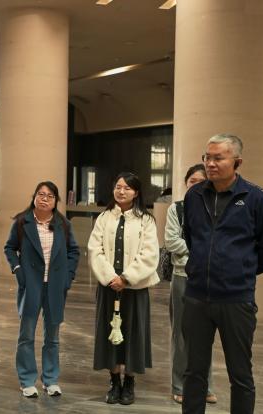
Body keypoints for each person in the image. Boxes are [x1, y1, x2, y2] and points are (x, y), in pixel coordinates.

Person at [182, 134, 263, 414]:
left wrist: (240, 270)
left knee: (240, 374)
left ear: (237, 162)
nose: (210, 164)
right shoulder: (194, 196)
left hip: (236, 300)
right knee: (194, 372)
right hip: (197, 298)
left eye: (218, 158)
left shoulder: (256, 198)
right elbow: (191, 237)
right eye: (207, 157)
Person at [88, 172, 160, 405]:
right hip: (108, 286)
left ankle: (129, 381)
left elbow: (150, 254)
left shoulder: (146, 220)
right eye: (118, 187)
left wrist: (127, 278)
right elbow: (94, 250)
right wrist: (111, 277)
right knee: (109, 334)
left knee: (132, 333)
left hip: (135, 288)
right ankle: (114, 381)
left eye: (127, 188)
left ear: (136, 193)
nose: (121, 191)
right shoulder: (104, 217)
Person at [4, 181, 80, 398]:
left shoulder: (63, 224)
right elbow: (10, 248)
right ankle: (27, 380)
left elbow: (74, 251)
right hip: (31, 285)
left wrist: (68, 277)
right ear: (34, 197)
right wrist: (18, 269)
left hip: (55, 286)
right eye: (41, 194)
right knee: (26, 335)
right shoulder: (22, 222)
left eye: (50, 196)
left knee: (53, 337)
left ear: (56, 201)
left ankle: (50, 379)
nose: (45, 199)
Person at [164, 164, 217, 405]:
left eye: (201, 181)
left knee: (205, 335)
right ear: (186, 183)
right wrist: (201, 249)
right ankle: (179, 385)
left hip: (208, 278)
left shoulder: (215, 208)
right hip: (182, 276)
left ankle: (205, 386)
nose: (196, 185)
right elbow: (172, 241)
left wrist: (200, 249)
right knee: (181, 334)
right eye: (192, 181)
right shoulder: (177, 209)